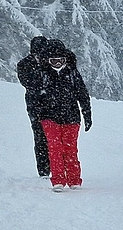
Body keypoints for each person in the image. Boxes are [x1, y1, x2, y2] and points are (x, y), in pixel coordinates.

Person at [35, 40, 91, 192]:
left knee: (70, 148)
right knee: (54, 148)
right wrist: (38, 113)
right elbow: (36, 96)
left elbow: (83, 95)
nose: (58, 64)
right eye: (54, 60)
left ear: (66, 59)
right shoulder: (43, 74)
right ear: (48, 60)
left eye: (61, 60)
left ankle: (74, 179)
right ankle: (58, 179)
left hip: (71, 117)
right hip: (49, 116)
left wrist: (87, 114)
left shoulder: (73, 73)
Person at [17, 35, 51, 177]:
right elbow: (28, 83)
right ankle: (43, 170)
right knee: (40, 137)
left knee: (53, 137)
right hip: (34, 105)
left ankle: (56, 168)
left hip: (52, 105)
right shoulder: (24, 64)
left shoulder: (51, 62)